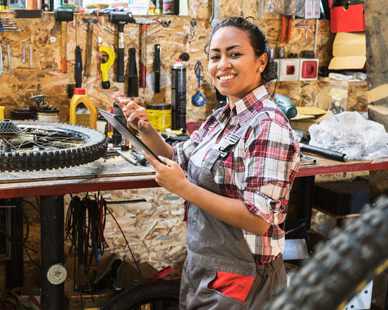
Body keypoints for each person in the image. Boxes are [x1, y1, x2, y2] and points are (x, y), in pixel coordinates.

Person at [115, 16, 300, 309]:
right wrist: (145, 130)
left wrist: (183, 189)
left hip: (244, 277)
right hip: (206, 266)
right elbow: (178, 160)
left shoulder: (268, 126)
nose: (222, 64)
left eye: (235, 54)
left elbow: (258, 219)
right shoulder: (223, 117)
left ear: (261, 62)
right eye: (215, 56)